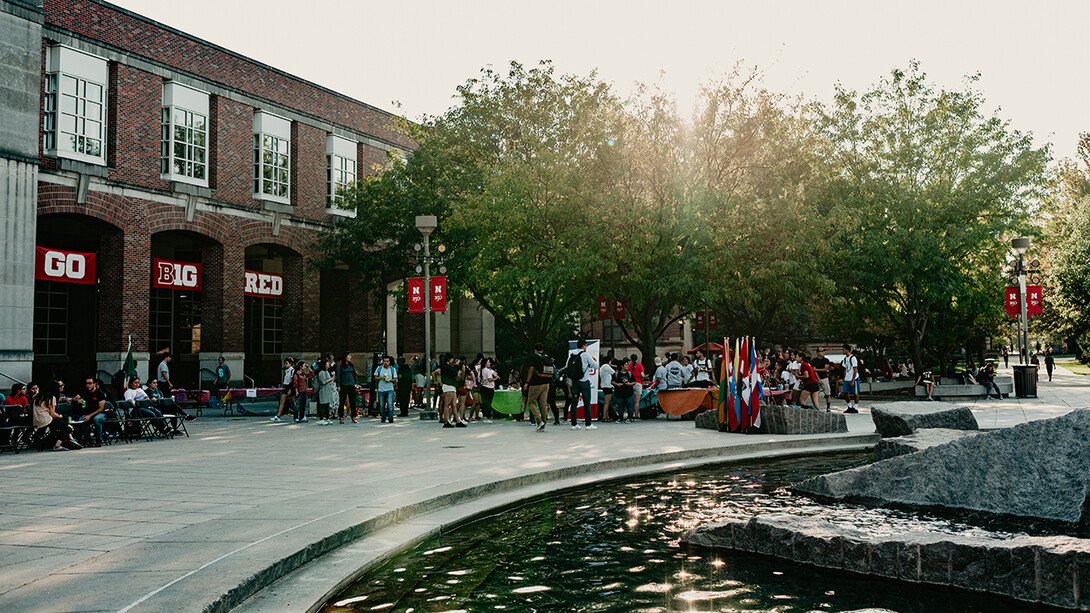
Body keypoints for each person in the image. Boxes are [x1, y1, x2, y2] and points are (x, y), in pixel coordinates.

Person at [32, 381, 79, 451]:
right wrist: (61, 416)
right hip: (46, 419)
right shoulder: (52, 397)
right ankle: (58, 445)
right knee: (68, 427)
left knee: (59, 426)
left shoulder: (37, 396)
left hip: (36, 420)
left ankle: (71, 439)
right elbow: (52, 414)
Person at [564, 339, 599, 430]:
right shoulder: (585, 355)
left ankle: (574, 424)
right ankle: (588, 424)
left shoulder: (572, 356)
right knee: (587, 403)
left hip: (575, 382)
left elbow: (567, 367)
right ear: (584, 346)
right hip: (584, 382)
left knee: (574, 403)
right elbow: (596, 366)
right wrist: (595, 361)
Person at [524, 344, 554, 432]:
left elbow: (531, 370)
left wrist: (527, 382)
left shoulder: (534, 357)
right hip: (546, 383)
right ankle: (543, 423)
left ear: (535, 350)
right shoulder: (547, 357)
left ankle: (539, 421)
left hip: (536, 383)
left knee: (531, 402)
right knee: (543, 403)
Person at [436, 354, 463, 428]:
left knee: (454, 404)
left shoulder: (446, 366)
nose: (452, 361)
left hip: (452, 386)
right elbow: (454, 373)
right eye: (452, 359)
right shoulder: (445, 366)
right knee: (447, 404)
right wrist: (456, 366)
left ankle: (457, 420)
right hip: (448, 386)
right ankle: (446, 421)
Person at [373, 355, 397, 423]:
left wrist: (390, 380)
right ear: (382, 362)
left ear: (389, 362)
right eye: (384, 361)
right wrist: (382, 378)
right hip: (381, 389)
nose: (386, 363)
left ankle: (390, 418)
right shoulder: (379, 368)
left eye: (387, 361)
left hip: (390, 388)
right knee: (381, 405)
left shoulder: (392, 369)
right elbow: (375, 377)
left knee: (390, 404)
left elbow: (395, 378)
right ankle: (383, 417)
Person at [337, 353, 360, 423]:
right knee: (342, 401)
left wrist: (356, 382)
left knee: (352, 401)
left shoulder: (351, 365)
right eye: (349, 355)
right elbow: (338, 375)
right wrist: (338, 385)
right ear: (345, 357)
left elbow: (354, 374)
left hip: (351, 384)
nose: (350, 357)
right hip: (343, 385)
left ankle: (353, 416)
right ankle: (341, 416)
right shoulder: (340, 365)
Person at [314, 358, 335, 424]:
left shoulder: (327, 371)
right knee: (322, 405)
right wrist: (331, 379)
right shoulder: (321, 372)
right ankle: (321, 419)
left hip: (328, 390)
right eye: (327, 363)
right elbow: (323, 382)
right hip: (323, 390)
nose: (328, 365)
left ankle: (327, 417)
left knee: (327, 405)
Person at [840, 345, 860, 414]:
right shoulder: (845, 359)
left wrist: (853, 380)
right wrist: (844, 378)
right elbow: (844, 369)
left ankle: (856, 407)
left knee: (855, 393)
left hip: (853, 378)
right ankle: (849, 406)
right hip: (847, 378)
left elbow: (855, 369)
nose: (842, 351)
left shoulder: (853, 358)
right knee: (845, 393)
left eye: (843, 350)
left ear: (847, 350)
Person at [478, 357, 499, 424]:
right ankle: (487, 416)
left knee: (484, 403)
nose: (489, 363)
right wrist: (495, 379)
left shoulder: (480, 371)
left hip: (483, 388)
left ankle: (485, 416)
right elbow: (490, 379)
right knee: (488, 403)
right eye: (488, 362)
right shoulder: (487, 371)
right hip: (489, 388)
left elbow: (479, 380)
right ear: (485, 363)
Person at [598, 358, 615, 422]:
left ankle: (607, 416)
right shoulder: (606, 366)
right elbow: (613, 372)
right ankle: (604, 417)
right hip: (607, 386)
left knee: (607, 402)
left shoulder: (602, 367)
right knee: (607, 402)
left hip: (604, 385)